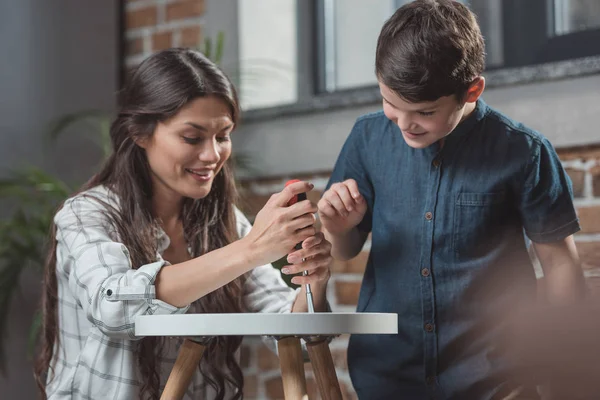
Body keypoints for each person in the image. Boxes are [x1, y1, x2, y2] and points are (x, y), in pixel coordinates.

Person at [317, 1, 584, 399]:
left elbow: (560, 264)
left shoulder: (524, 151)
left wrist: (566, 377)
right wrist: (338, 228)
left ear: (471, 89)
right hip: (388, 375)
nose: (405, 123)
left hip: (497, 378)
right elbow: (346, 248)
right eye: (390, 103)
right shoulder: (366, 138)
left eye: (424, 111)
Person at [34, 48, 332, 400]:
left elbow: (291, 334)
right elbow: (113, 307)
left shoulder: (224, 224)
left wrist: (314, 280)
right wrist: (252, 249)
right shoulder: (86, 215)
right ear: (140, 133)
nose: (212, 155)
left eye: (222, 136)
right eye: (192, 138)